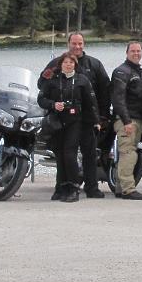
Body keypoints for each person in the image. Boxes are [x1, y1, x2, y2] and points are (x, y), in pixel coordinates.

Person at [37, 32, 110, 199]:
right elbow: (42, 84)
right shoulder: (56, 63)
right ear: (68, 44)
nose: (77, 47)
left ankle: (92, 188)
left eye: (80, 43)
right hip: (63, 118)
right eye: (74, 43)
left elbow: (104, 91)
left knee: (89, 153)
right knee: (63, 153)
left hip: (87, 118)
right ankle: (62, 187)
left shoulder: (94, 64)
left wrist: (101, 117)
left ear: (84, 44)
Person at [110, 41, 142, 200]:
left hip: (138, 119)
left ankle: (120, 188)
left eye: (138, 51)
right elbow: (117, 99)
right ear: (127, 53)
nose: (136, 53)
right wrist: (126, 121)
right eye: (133, 51)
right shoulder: (121, 72)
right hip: (127, 119)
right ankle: (127, 189)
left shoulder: (138, 72)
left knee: (130, 152)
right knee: (128, 153)